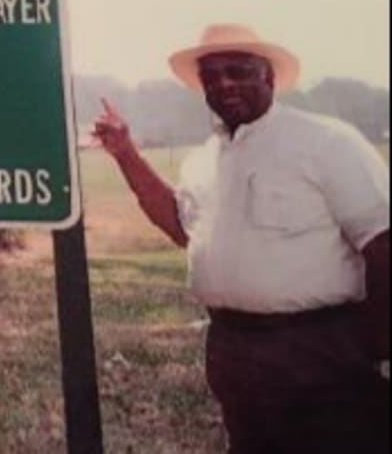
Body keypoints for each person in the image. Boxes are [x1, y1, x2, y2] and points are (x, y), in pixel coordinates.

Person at [92, 23, 389, 453]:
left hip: (320, 348)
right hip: (234, 351)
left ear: (268, 76)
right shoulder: (203, 162)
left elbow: (382, 241)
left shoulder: (326, 143)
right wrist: (125, 154)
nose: (224, 83)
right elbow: (181, 227)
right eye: (211, 76)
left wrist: (373, 341)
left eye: (238, 71)